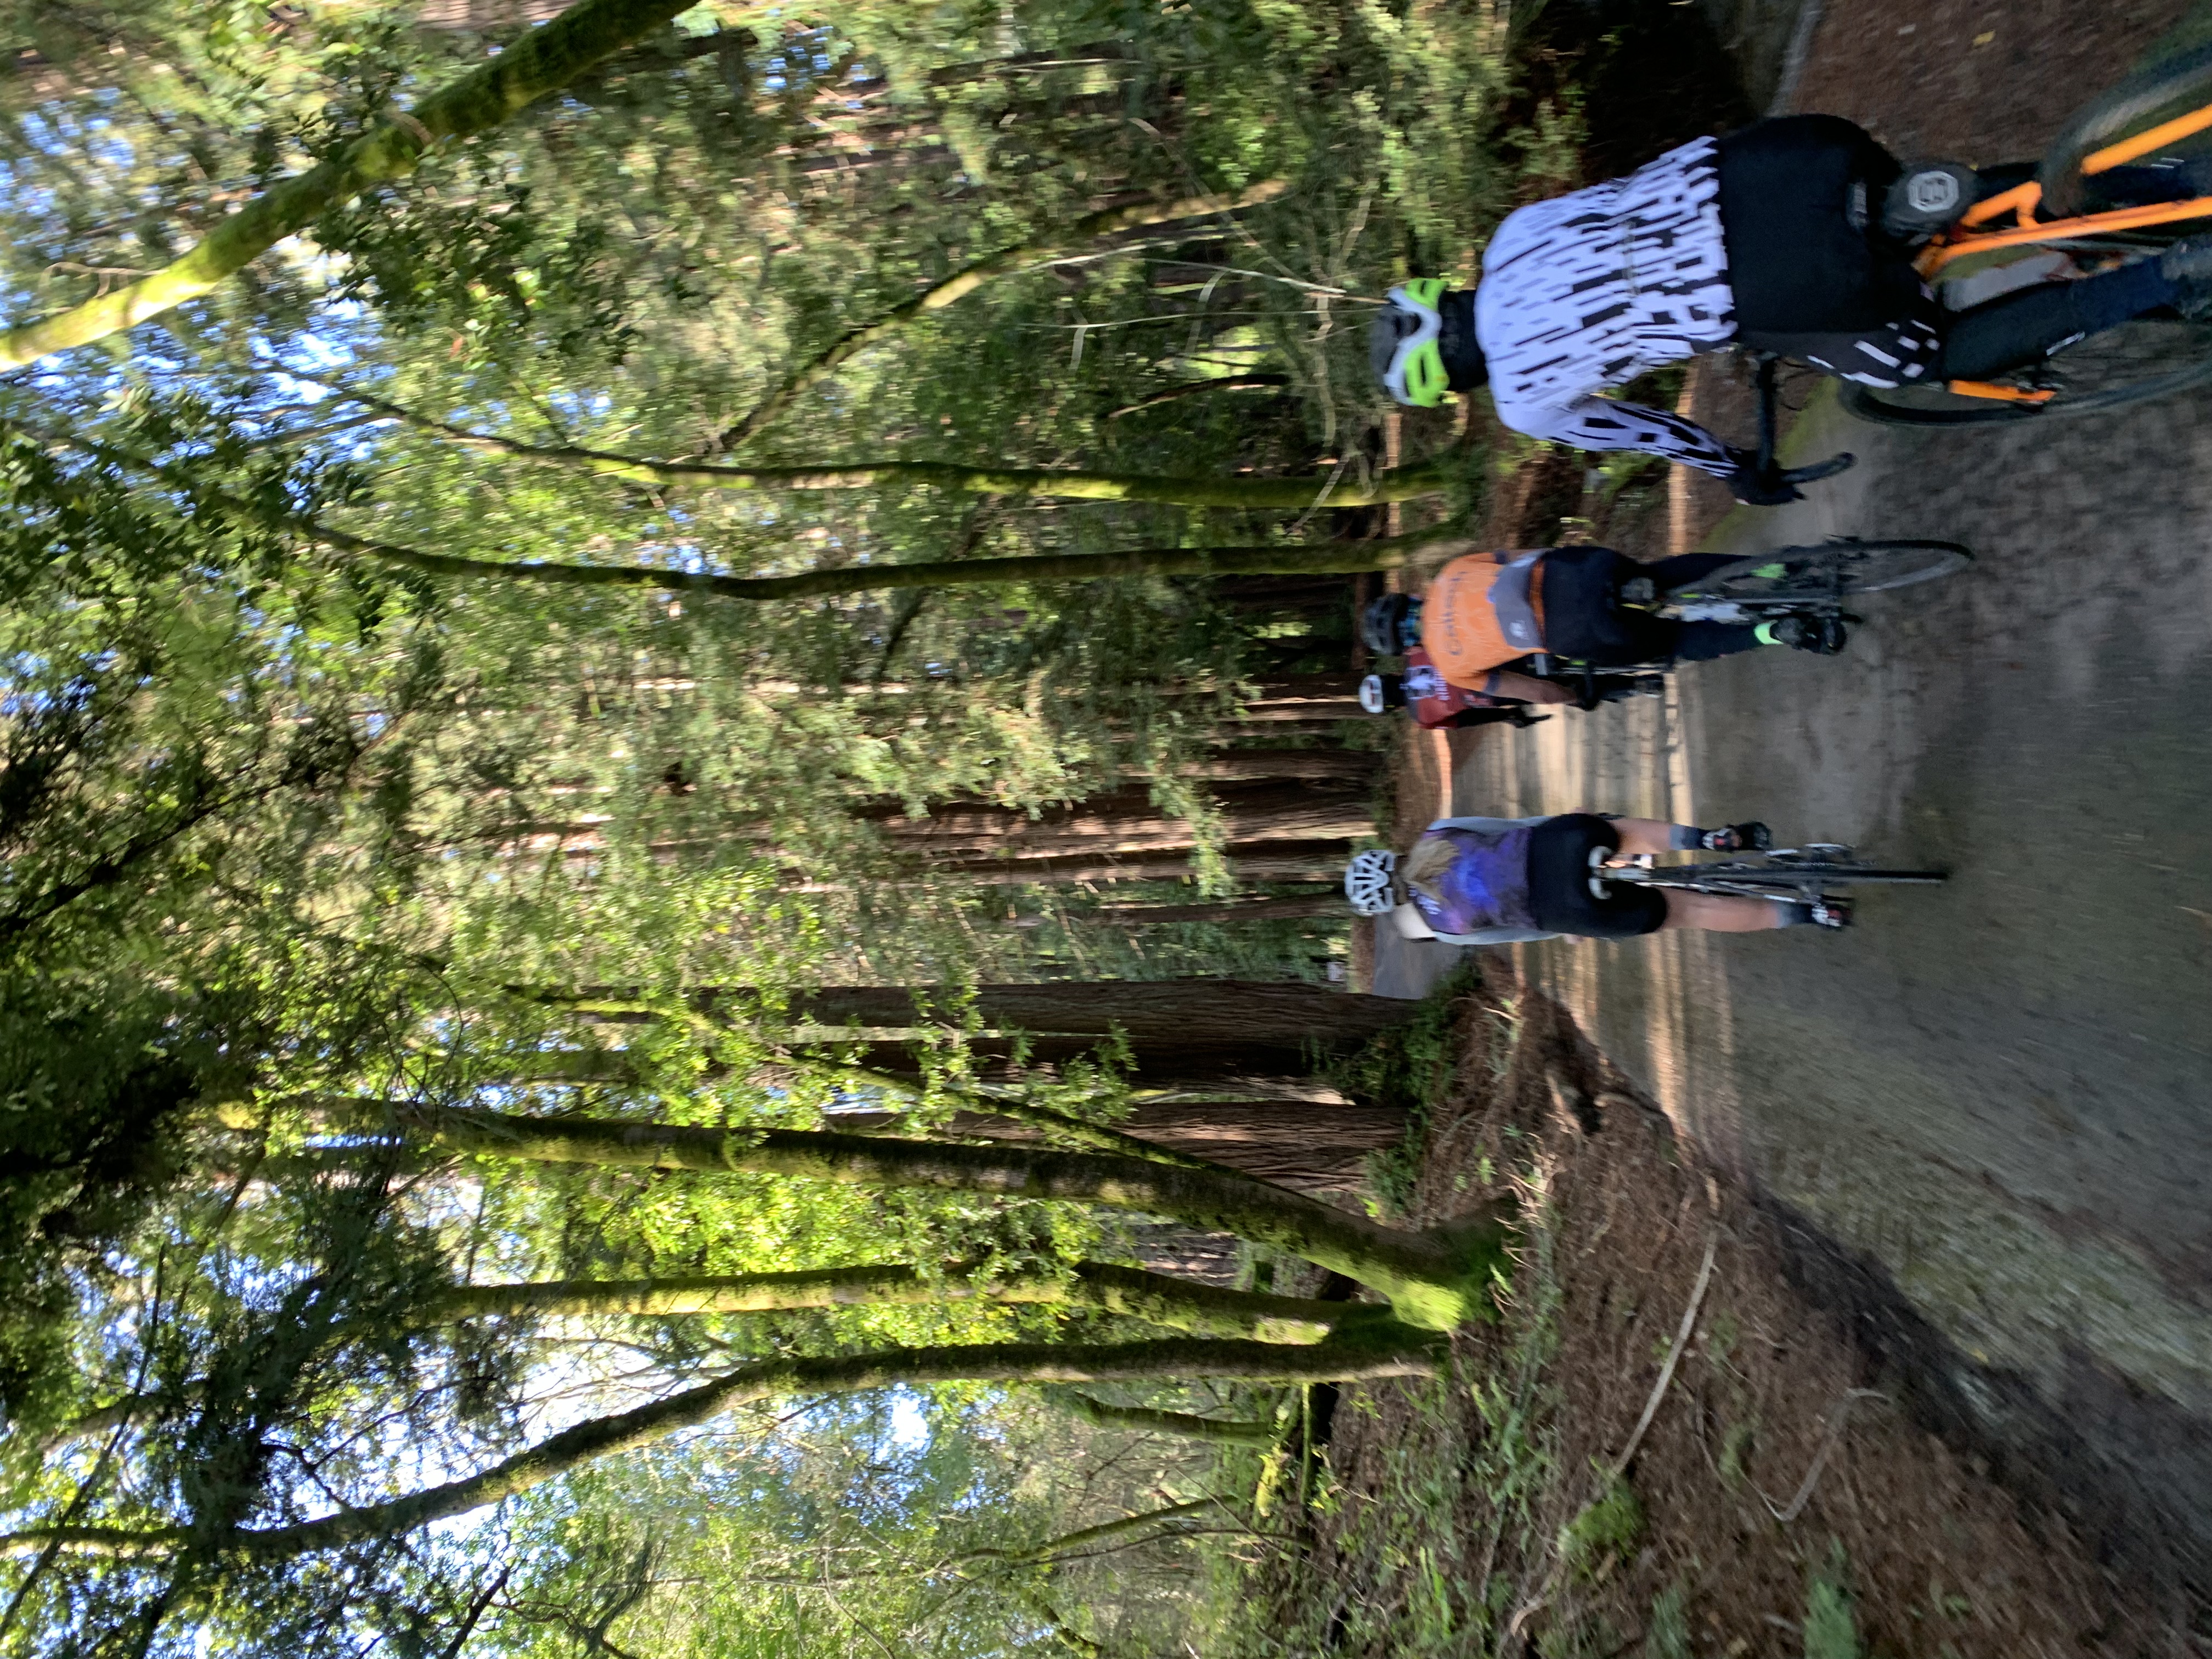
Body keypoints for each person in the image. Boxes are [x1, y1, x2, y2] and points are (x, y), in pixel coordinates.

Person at [1369, 115, 2212, 503]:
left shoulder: (1523, 401)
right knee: (1952, 202)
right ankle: (2160, 187)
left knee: (1929, 356)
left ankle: (2165, 276)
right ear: (1451, 293)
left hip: (1776, 283)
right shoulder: (1513, 234)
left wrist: (1738, 468)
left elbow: (1655, 434)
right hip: (1777, 157)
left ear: (1457, 386)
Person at [1365, 541, 1841, 714]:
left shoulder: (1450, 667)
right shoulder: (1451, 572)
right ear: (1410, 598)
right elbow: (1520, 555)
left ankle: (1774, 632)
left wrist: (1575, 698)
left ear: (1409, 648)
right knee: (1665, 573)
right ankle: (1777, 569)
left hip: (1576, 630)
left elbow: (1538, 692)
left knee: (1671, 643)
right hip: (1579, 569)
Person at [1343, 814, 1848, 946]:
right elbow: (1517, 829)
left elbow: (1527, 932)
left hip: (1566, 908)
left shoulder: (1446, 928)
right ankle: (1711, 838)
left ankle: (1812, 914)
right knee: (1617, 831)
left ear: (1392, 905)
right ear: (1391, 856)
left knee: (1692, 912)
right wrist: (1580, 825)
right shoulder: (1438, 833)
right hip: (1556, 844)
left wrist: (1573, 923)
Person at [1359, 644, 1558, 730]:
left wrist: (1507, 716)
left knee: (1556, 690)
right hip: (1494, 658)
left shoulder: (1422, 719)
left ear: (1394, 708)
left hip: (1494, 693)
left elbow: (1468, 719)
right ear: (1389, 675)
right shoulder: (1416, 656)